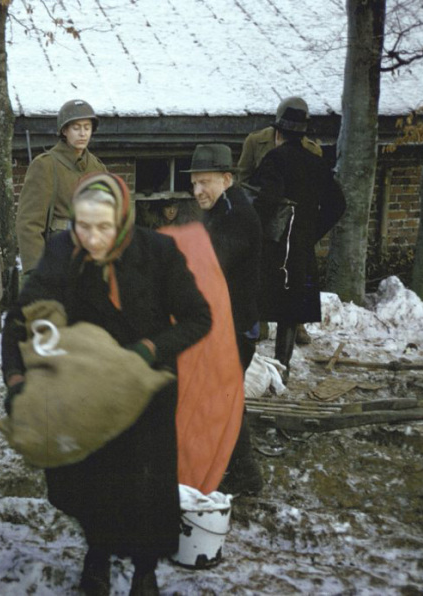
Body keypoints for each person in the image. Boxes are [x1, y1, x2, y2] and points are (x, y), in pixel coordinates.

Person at [2, 172, 212, 596]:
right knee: (92, 478)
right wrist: (18, 380)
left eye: (104, 227)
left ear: (123, 221)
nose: (93, 238)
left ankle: (145, 570)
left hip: (145, 385)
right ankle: (97, 555)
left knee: (146, 484)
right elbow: (21, 318)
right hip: (86, 390)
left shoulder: (158, 253)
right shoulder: (65, 251)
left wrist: (150, 349)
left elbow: (198, 318)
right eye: (84, 225)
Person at [184, 143, 264, 496]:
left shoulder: (235, 214)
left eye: (205, 182)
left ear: (227, 178)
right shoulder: (222, 208)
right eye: (194, 183)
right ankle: (234, 470)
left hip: (235, 328)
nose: (197, 190)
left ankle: (245, 476)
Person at [249, 97, 346, 381]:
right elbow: (338, 205)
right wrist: (312, 232)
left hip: (273, 248)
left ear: (278, 133)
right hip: (300, 249)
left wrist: (255, 229)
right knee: (290, 311)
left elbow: (265, 200)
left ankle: (252, 371)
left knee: (257, 303)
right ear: (303, 133)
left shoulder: (274, 159)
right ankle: (284, 366)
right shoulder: (316, 164)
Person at [237, 96, 323, 346]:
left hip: (293, 224)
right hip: (264, 216)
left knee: (295, 275)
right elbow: (244, 179)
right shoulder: (256, 141)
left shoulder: (311, 150)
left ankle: (296, 323)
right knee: (258, 271)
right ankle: (259, 321)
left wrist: (310, 227)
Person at [15, 99, 107, 276]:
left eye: (87, 128)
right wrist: (38, 269)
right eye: (76, 128)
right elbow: (29, 223)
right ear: (64, 131)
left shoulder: (98, 168)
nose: (82, 134)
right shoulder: (46, 165)